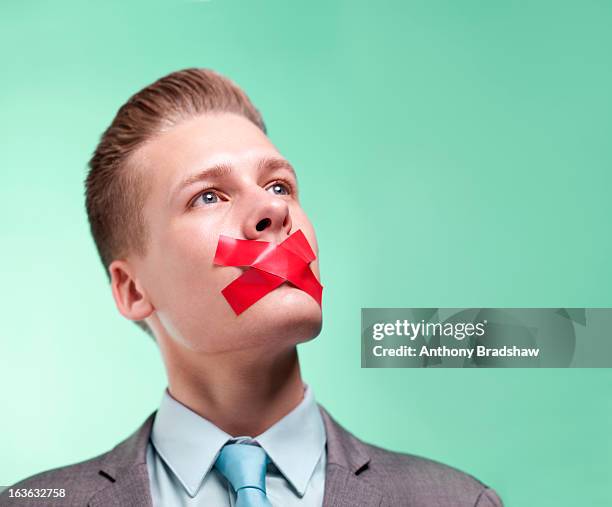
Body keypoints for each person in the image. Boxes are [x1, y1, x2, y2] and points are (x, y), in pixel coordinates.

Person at [0, 68, 503, 507]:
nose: (274, 209)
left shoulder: (457, 501)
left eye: (279, 185)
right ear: (132, 290)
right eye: (208, 196)